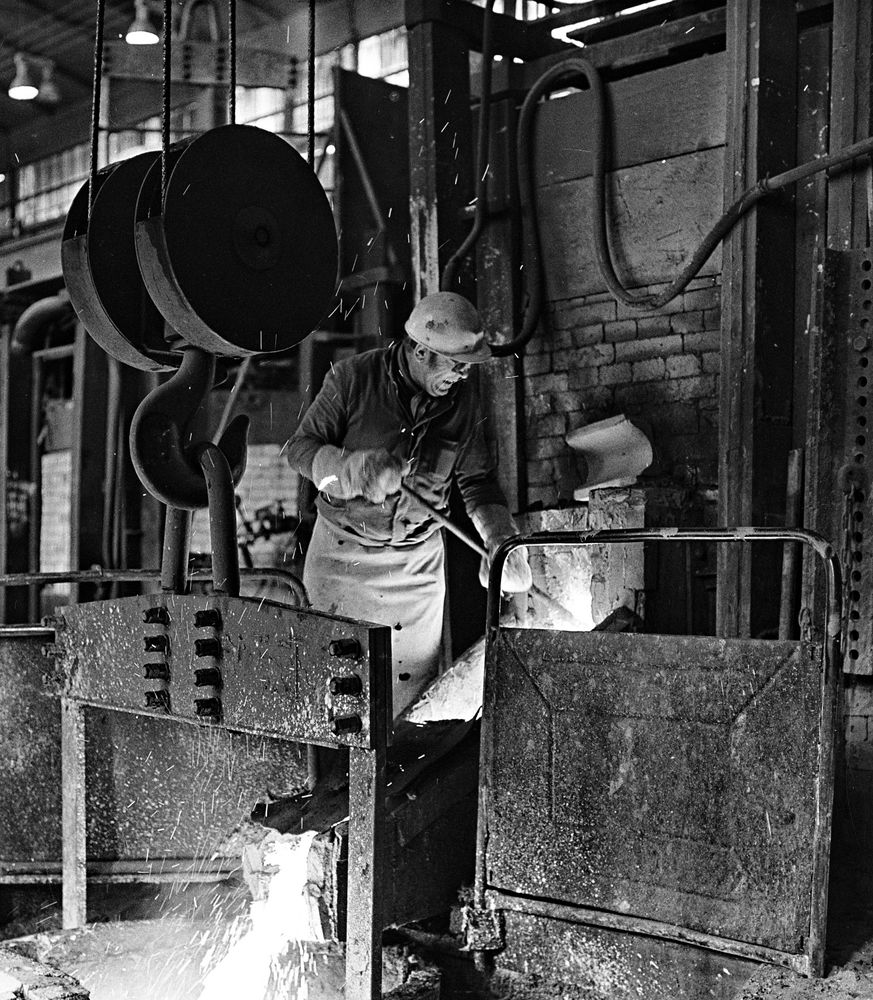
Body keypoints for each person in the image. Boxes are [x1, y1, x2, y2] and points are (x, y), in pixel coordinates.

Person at [286, 291, 531, 717]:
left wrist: (500, 539)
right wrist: (349, 469)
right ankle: (333, 780)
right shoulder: (351, 379)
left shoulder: (463, 402)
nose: (463, 376)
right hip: (345, 559)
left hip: (418, 567)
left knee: (413, 703)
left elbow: (476, 480)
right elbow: (300, 450)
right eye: (457, 365)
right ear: (421, 351)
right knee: (337, 698)